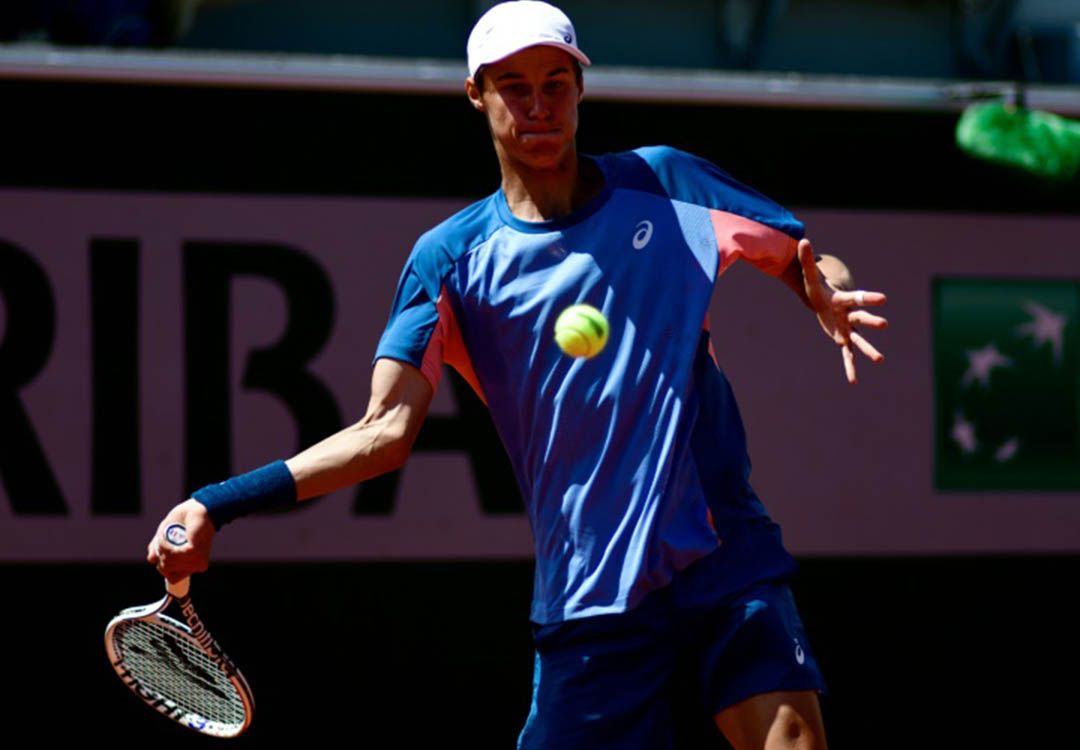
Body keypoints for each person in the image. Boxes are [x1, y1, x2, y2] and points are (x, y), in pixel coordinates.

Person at [148, 2, 887, 748]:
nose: (539, 108)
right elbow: (383, 432)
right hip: (591, 596)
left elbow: (805, 258)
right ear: (477, 94)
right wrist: (218, 502)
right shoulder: (449, 260)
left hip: (724, 555)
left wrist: (827, 293)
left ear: (579, 89)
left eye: (556, 84)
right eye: (514, 88)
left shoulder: (667, 183)